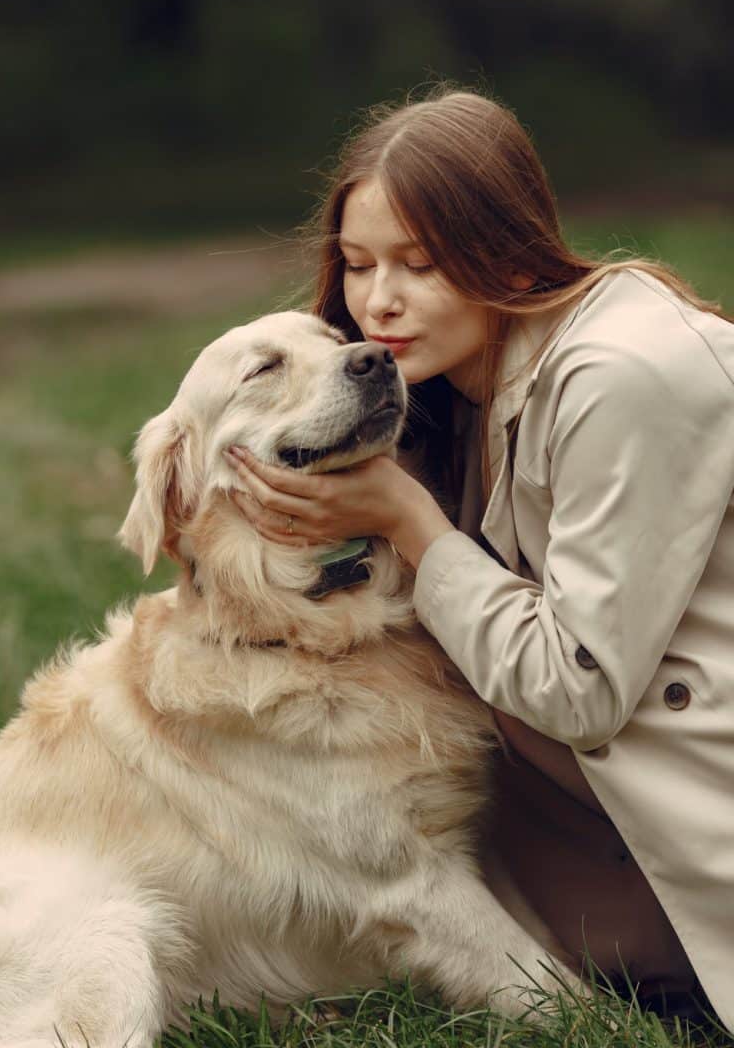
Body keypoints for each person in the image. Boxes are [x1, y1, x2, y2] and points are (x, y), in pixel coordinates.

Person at [222, 88, 734, 1028]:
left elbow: (578, 687)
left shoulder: (622, 376)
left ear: (508, 247)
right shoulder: (449, 388)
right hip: (596, 836)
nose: (379, 303)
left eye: (421, 264)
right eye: (360, 264)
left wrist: (413, 524)